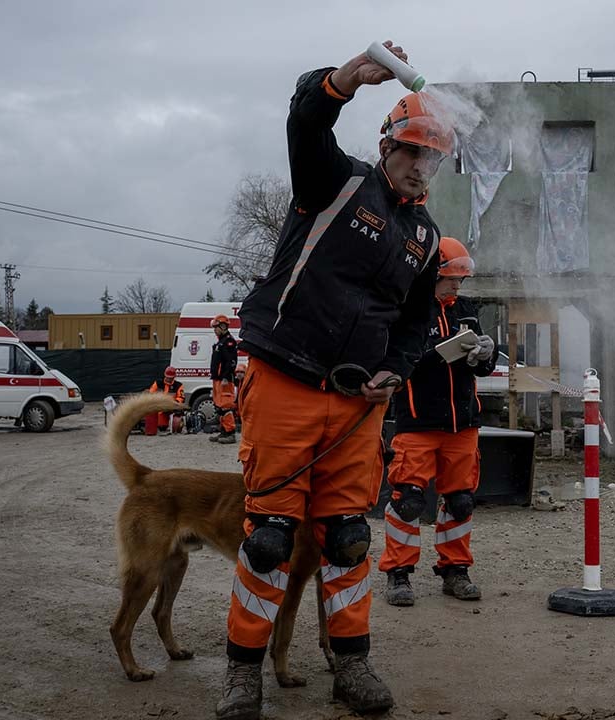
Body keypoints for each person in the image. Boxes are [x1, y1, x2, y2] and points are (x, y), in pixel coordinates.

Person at [217, 41, 454, 719]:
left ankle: (350, 664)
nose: (417, 164)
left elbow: (414, 325)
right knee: (268, 538)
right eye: (409, 149)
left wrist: (395, 371)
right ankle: (241, 674)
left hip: (356, 404)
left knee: (349, 539)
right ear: (387, 147)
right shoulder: (336, 182)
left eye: (429, 155)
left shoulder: (426, 239)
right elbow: (304, 121)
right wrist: (347, 78)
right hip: (285, 380)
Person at [379, 236, 495, 606]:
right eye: (451, 278)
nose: (458, 285)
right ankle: (398, 574)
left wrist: (483, 356)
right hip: (417, 421)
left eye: (461, 279)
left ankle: (455, 570)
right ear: (430, 275)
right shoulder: (407, 311)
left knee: (460, 500)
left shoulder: (466, 309)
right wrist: (441, 354)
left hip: (463, 423)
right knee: (408, 500)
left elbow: (482, 368)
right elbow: (400, 362)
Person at [208, 314, 238, 444]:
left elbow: (231, 361)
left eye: (216, 327)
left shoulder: (229, 342)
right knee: (219, 406)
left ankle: (230, 433)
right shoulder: (220, 342)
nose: (214, 330)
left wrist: (226, 376)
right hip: (217, 379)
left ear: (223, 326)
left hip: (224, 379)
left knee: (226, 406)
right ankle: (223, 431)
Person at [147, 366, 185, 434]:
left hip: (172, 406)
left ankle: (172, 425)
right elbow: (151, 393)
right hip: (159, 406)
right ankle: (160, 425)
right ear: (165, 375)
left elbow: (181, 397)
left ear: (174, 377)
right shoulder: (158, 383)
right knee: (161, 425)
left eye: (171, 378)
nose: (169, 379)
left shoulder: (178, 385)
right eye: (168, 377)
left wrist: (175, 402)